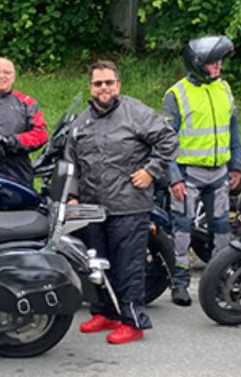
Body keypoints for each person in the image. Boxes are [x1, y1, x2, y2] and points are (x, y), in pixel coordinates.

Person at [65, 60, 178, 344]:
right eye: (98, 83)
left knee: (128, 266)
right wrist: (72, 195)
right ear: (90, 87)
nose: (103, 88)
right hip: (92, 208)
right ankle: (106, 312)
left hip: (128, 206)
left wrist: (150, 171)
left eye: (108, 82)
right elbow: (70, 161)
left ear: (118, 85)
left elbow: (168, 139)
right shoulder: (82, 122)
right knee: (97, 264)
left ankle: (132, 320)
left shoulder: (136, 112)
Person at [162, 35, 241, 306]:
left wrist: (236, 164)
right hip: (188, 175)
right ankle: (180, 283)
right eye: (212, 63)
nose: (218, 67)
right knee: (182, 230)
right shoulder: (176, 94)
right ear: (198, 63)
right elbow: (165, 140)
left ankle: (221, 280)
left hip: (218, 172)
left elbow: (233, 128)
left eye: (220, 62)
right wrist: (173, 176)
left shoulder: (224, 88)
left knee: (222, 230)